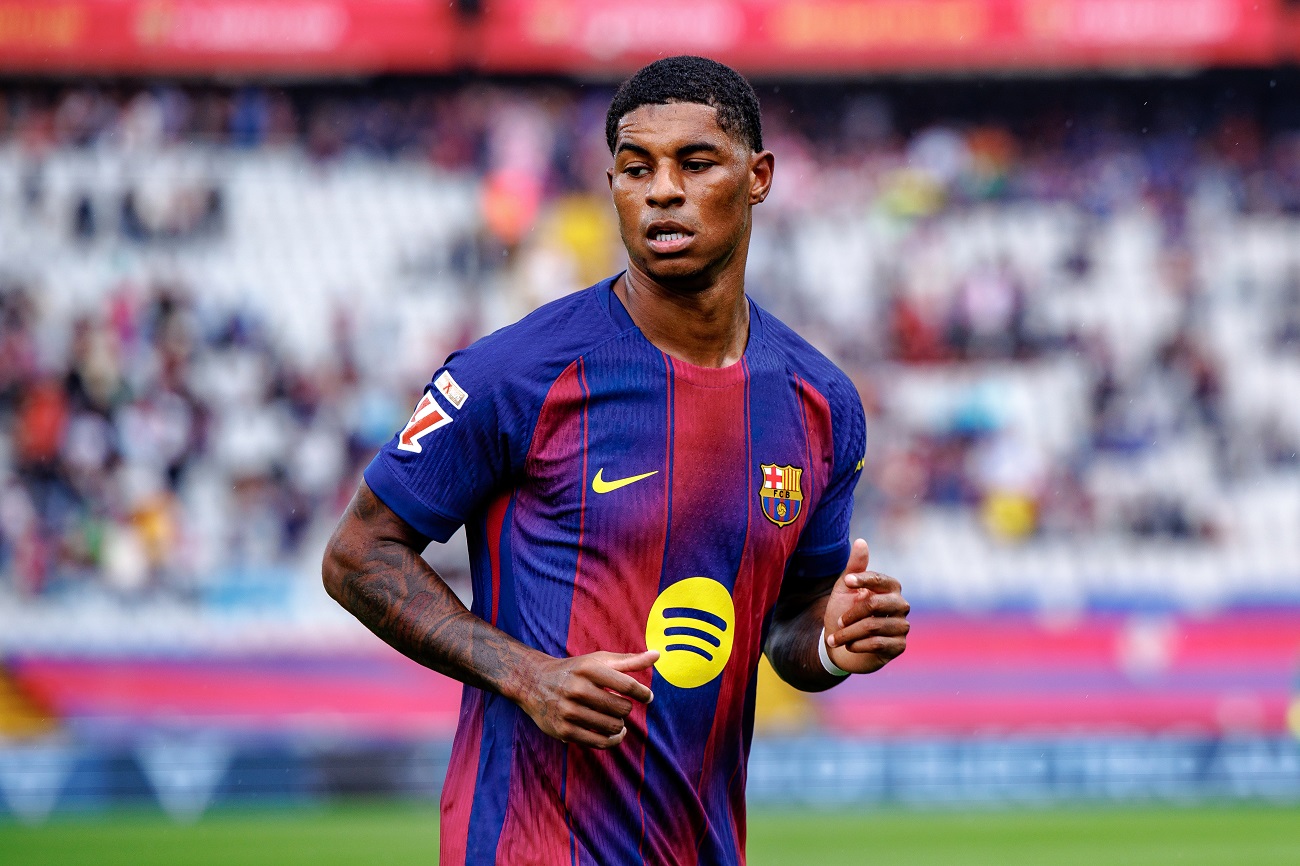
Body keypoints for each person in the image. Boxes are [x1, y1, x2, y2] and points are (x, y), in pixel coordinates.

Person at [322, 55, 910, 866]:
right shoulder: (514, 374)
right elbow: (356, 555)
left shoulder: (822, 402)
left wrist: (833, 642)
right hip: (526, 847)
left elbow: (791, 625)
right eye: (636, 169)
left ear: (758, 178)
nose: (662, 190)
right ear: (612, 187)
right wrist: (528, 675)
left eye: (695, 163)